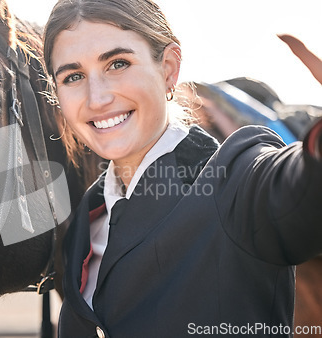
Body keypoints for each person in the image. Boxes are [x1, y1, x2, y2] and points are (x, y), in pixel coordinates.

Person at [41, 0, 322, 337]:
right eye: (73, 76)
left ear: (169, 68)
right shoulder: (85, 219)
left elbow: (300, 190)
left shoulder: (234, 179)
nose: (97, 98)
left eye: (118, 63)